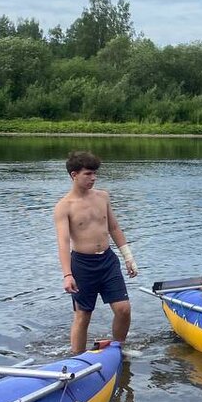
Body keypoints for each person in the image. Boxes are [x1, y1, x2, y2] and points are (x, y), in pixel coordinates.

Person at [54, 151, 138, 353]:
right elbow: (63, 242)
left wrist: (128, 257)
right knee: (83, 315)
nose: (94, 178)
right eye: (88, 174)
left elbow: (114, 228)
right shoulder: (64, 207)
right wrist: (67, 275)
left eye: (95, 174)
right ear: (74, 175)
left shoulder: (103, 197)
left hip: (108, 261)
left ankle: (119, 349)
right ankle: (77, 359)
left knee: (123, 309)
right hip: (82, 265)